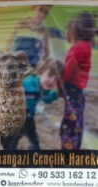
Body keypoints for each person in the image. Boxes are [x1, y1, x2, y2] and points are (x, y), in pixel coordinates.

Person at [59, 12, 96, 150]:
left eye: (68, 29)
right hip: (77, 93)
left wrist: (59, 83)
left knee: (70, 125)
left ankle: (69, 151)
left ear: (74, 29)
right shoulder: (85, 46)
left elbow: (68, 72)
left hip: (72, 91)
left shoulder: (78, 48)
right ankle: (73, 148)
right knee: (75, 122)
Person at [11, 58, 63, 150]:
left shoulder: (43, 88)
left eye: (56, 79)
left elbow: (47, 99)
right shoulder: (27, 83)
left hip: (28, 117)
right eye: (50, 75)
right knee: (16, 135)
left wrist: (56, 95)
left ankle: (34, 148)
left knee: (32, 135)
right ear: (40, 72)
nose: (51, 81)